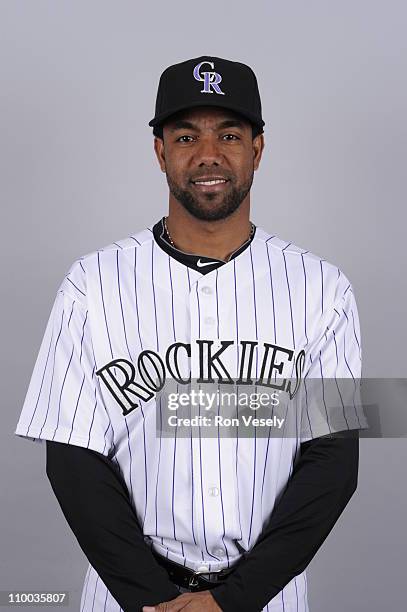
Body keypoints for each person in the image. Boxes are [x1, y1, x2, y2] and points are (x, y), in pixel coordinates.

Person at [15, 56, 364, 612]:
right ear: (160, 151)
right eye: (185, 136)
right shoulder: (91, 284)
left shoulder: (324, 289)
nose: (208, 155)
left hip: (265, 596)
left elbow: (334, 462)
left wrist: (234, 600)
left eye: (229, 134)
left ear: (258, 148)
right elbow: (72, 459)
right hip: (128, 596)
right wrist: (154, 598)